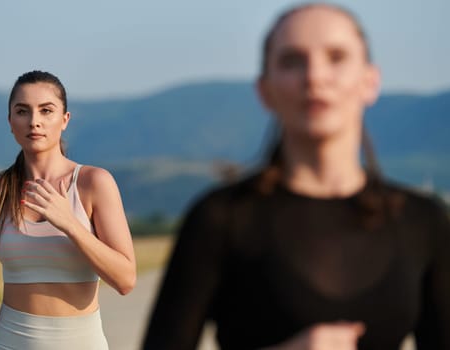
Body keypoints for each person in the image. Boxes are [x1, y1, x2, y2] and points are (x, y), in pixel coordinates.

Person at [142, 3, 450, 350]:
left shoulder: (423, 221)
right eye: (292, 60)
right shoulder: (221, 218)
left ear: (370, 80)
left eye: (336, 57)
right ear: (265, 90)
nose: (315, 76)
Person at [0, 70, 136, 349]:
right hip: (8, 342)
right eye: (22, 111)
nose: (34, 122)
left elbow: (125, 280)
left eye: (46, 110)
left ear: (64, 120)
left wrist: (70, 223)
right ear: (10, 121)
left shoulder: (93, 183)